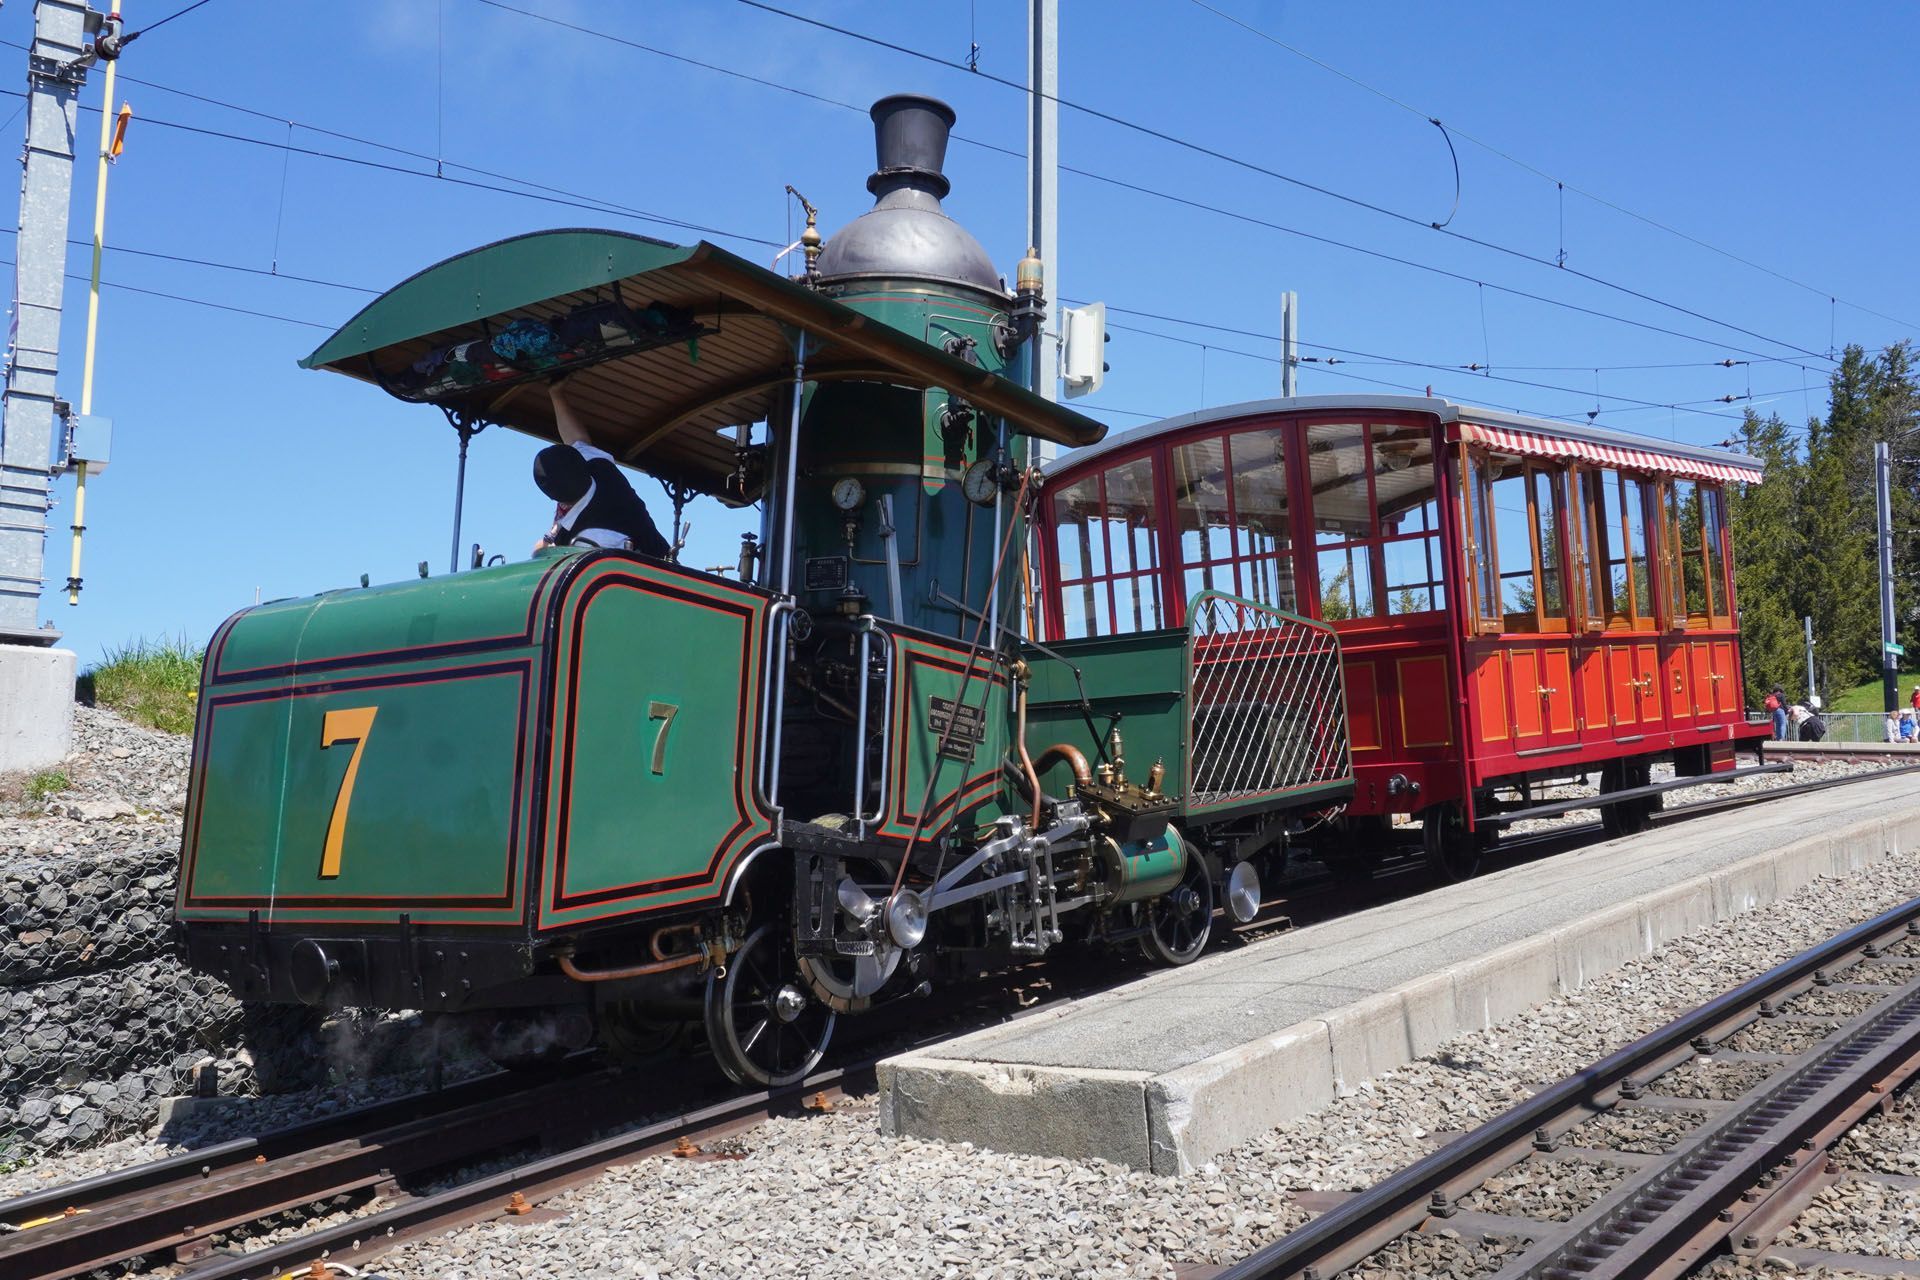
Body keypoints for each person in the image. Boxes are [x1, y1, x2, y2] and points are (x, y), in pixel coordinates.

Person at [532, 382, 671, 558]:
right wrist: (555, 393)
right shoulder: (599, 466)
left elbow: (566, 564)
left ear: (559, 501)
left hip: (656, 573)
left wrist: (543, 545)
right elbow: (577, 438)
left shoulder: (594, 537)